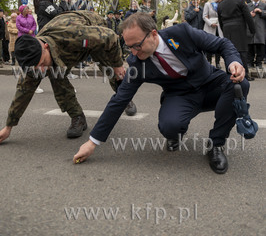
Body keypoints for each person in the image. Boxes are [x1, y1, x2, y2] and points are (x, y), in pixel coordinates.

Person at [74, 12, 249, 175]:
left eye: (137, 45)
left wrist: (234, 62)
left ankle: (216, 144)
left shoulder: (182, 33)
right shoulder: (137, 64)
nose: (134, 52)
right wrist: (92, 142)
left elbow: (222, 44)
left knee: (239, 85)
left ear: (153, 34)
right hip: (180, 96)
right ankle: (176, 133)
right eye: (129, 47)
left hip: (210, 84)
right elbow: (119, 100)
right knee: (170, 126)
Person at [0, 11, 137, 145]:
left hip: (92, 33)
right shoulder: (32, 59)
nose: (40, 71)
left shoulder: (71, 34)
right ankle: (77, 117)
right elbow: (23, 91)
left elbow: (110, 37)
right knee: (56, 78)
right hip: (66, 50)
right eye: (36, 69)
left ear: (45, 47)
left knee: (111, 69)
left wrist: (118, 64)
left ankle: (124, 98)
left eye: (42, 64)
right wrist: (8, 127)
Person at [218, 0, 255, 81]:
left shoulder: (221, 4)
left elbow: (220, 20)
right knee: (242, 52)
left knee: (229, 51)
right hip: (239, 29)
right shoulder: (240, 1)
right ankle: (245, 74)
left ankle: (230, 73)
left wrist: (224, 30)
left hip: (227, 29)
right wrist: (252, 30)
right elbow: (248, 17)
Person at [203, 0, 224, 69]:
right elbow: (204, 16)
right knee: (210, 44)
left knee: (218, 44)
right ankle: (209, 61)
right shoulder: (208, 4)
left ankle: (218, 62)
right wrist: (210, 23)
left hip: (219, 26)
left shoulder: (222, 5)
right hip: (210, 26)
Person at [247, 0, 266, 69]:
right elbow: (244, 16)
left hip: (260, 29)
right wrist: (249, 15)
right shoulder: (248, 6)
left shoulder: (264, 5)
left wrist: (261, 12)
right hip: (250, 30)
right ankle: (250, 62)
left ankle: (259, 63)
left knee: (260, 47)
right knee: (250, 47)